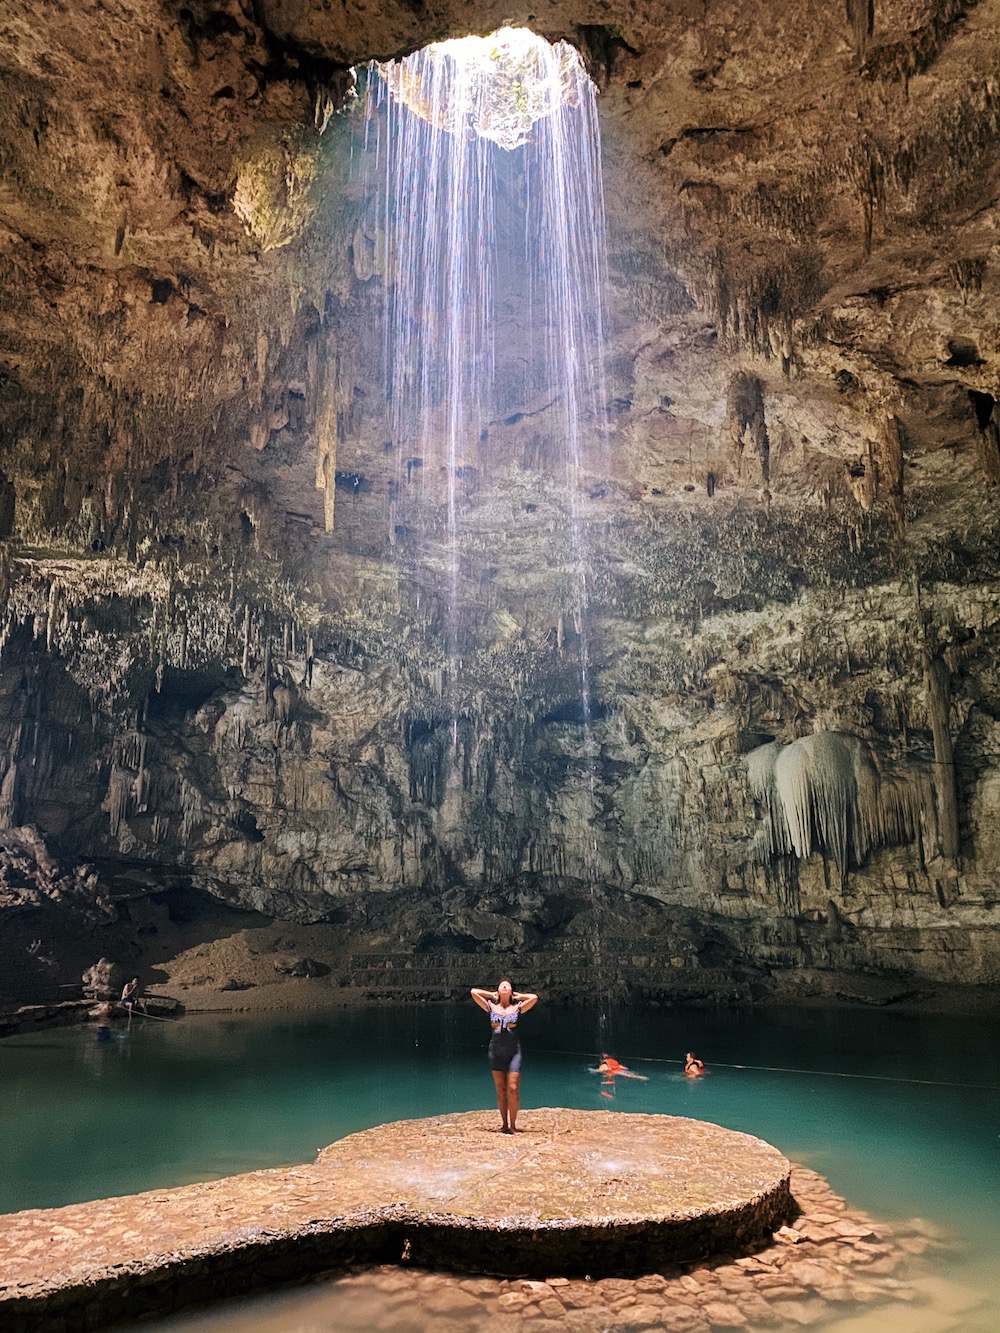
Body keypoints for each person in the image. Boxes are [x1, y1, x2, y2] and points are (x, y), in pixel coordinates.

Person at [471, 979, 538, 1133]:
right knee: (501, 1090)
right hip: (496, 1051)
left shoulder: (518, 1008)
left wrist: (519, 996)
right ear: (499, 990)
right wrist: (491, 994)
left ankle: (513, 1125)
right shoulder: (490, 1007)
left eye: (508, 985)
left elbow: (534, 998)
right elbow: (473, 992)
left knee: (513, 1089)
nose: (505, 986)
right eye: (502, 985)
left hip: (514, 1051)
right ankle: (504, 1125)